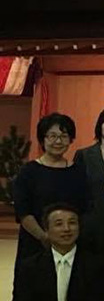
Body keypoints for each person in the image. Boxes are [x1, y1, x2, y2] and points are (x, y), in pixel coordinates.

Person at [13, 113, 89, 267]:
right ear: (43, 139)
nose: (58, 141)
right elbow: (23, 211)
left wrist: (68, 236)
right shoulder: (28, 172)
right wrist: (44, 237)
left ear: (70, 139)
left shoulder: (79, 172)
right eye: (52, 136)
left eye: (64, 136)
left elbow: (85, 208)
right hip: (35, 243)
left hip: (70, 244)